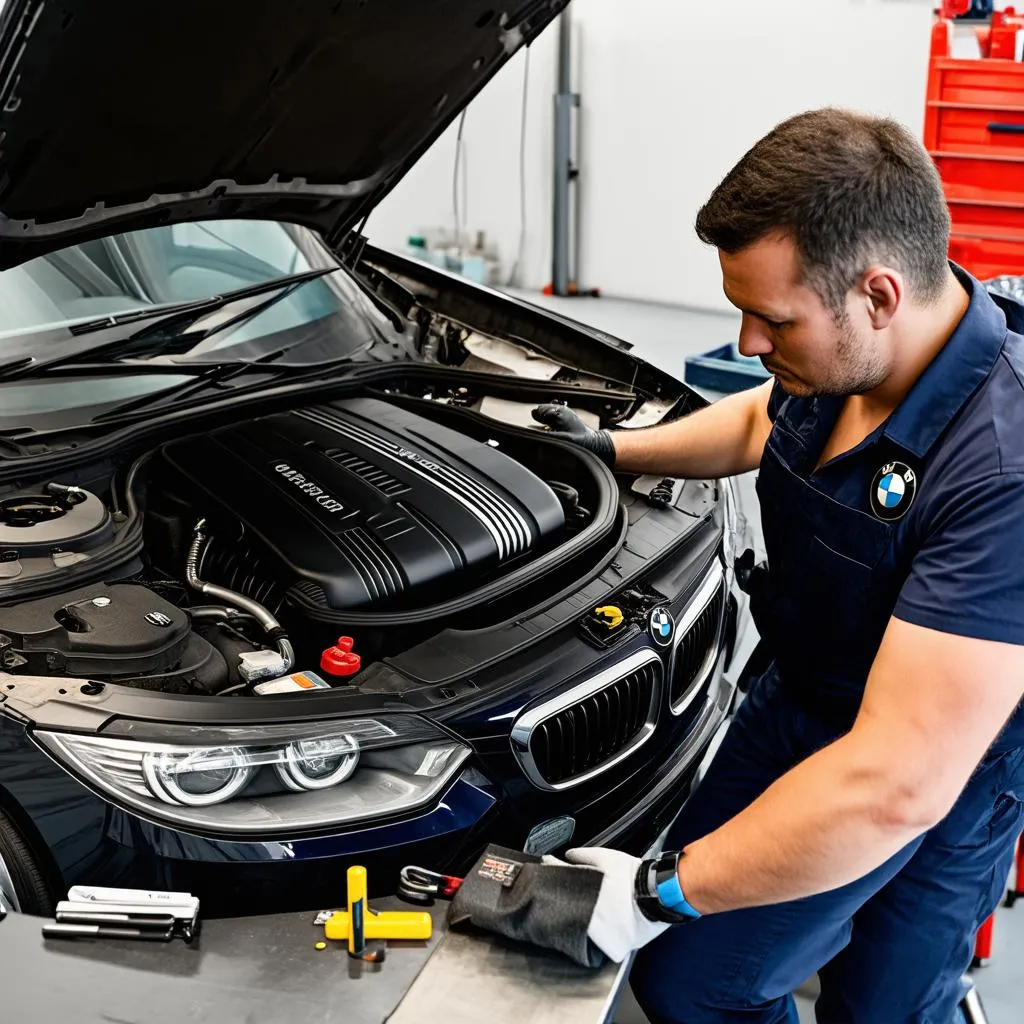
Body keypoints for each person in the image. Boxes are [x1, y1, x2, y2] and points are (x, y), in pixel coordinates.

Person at [532, 107, 1024, 1023]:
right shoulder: (843, 365)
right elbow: (765, 420)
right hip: (797, 700)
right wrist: (613, 452)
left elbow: (895, 782)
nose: (752, 345)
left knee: (886, 1004)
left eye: (772, 320)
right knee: (691, 981)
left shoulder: (1004, 467)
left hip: (940, 769)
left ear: (879, 295)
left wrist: (650, 893)